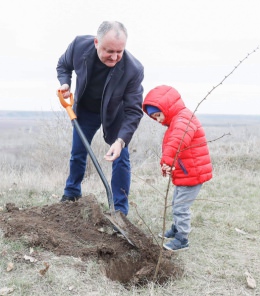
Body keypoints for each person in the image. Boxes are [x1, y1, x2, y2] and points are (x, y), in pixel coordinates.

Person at [56, 21, 144, 216]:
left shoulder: (133, 69)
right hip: (86, 110)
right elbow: (63, 65)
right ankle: (71, 194)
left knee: (120, 158)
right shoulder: (79, 46)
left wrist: (120, 141)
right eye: (109, 51)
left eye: (119, 52)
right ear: (96, 42)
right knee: (78, 152)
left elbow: (134, 111)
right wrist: (65, 84)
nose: (114, 57)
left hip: (114, 115)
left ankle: (119, 210)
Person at [142, 85, 212, 251]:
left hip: (192, 173)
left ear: (167, 107)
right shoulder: (177, 120)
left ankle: (182, 239)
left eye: (158, 115)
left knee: (181, 207)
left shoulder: (183, 119)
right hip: (185, 172)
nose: (158, 120)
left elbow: (178, 141)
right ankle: (176, 228)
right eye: (154, 118)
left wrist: (167, 160)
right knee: (176, 202)